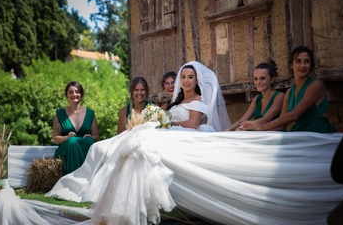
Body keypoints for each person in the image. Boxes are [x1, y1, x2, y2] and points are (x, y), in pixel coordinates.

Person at [46, 61, 231, 224]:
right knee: (98, 148)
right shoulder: (175, 102)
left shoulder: (195, 101)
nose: (186, 80)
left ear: (197, 80)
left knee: (134, 147)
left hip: (178, 133)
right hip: (167, 131)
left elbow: (191, 124)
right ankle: (87, 182)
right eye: (183, 77)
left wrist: (167, 122)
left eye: (190, 77)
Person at [240, 46, 336, 133]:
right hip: (298, 132)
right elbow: (281, 125)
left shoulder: (316, 85)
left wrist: (262, 127)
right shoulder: (289, 92)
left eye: (307, 62)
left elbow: (295, 115)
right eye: (298, 61)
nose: (303, 66)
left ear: (311, 65)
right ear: (291, 64)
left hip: (317, 133)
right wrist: (252, 129)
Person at [52, 81, 99, 175]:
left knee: (90, 142)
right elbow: (55, 138)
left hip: (84, 146)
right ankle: (73, 177)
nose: (74, 94)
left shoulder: (90, 114)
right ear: (66, 95)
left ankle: (89, 177)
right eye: (70, 92)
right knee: (72, 141)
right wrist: (67, 137)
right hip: (67, 149)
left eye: (77, 91)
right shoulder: (60, 114)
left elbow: (97, 137)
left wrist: (90, 137)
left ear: (81, 94)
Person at [227, 61, 284, 131]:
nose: (258, 82)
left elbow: (266, 119)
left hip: (275, 134)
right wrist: (228, 130)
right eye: (256, 79)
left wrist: (246, 126)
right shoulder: (257, 99)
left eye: (262, 78)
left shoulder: (279, 96)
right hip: (259, 134)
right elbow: (243, 119)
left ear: (272, 79)